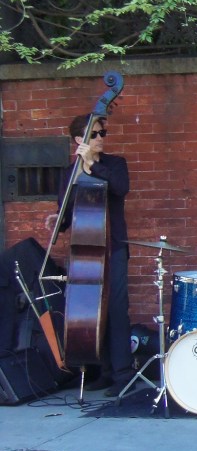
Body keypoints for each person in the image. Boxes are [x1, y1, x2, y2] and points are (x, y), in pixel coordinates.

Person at [48, 115, 132, 397]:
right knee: (93, 312)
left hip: (114, 247)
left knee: (117, 310)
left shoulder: (115, 164)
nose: (101, 138)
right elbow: (67, 212)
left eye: (102, 132)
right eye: (95, 134)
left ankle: (123, 374)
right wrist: (57, 219)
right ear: (78, 140)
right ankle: (102, 371)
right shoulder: (70, 173)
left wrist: (93, 165)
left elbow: (121, 188)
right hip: (85, 251)